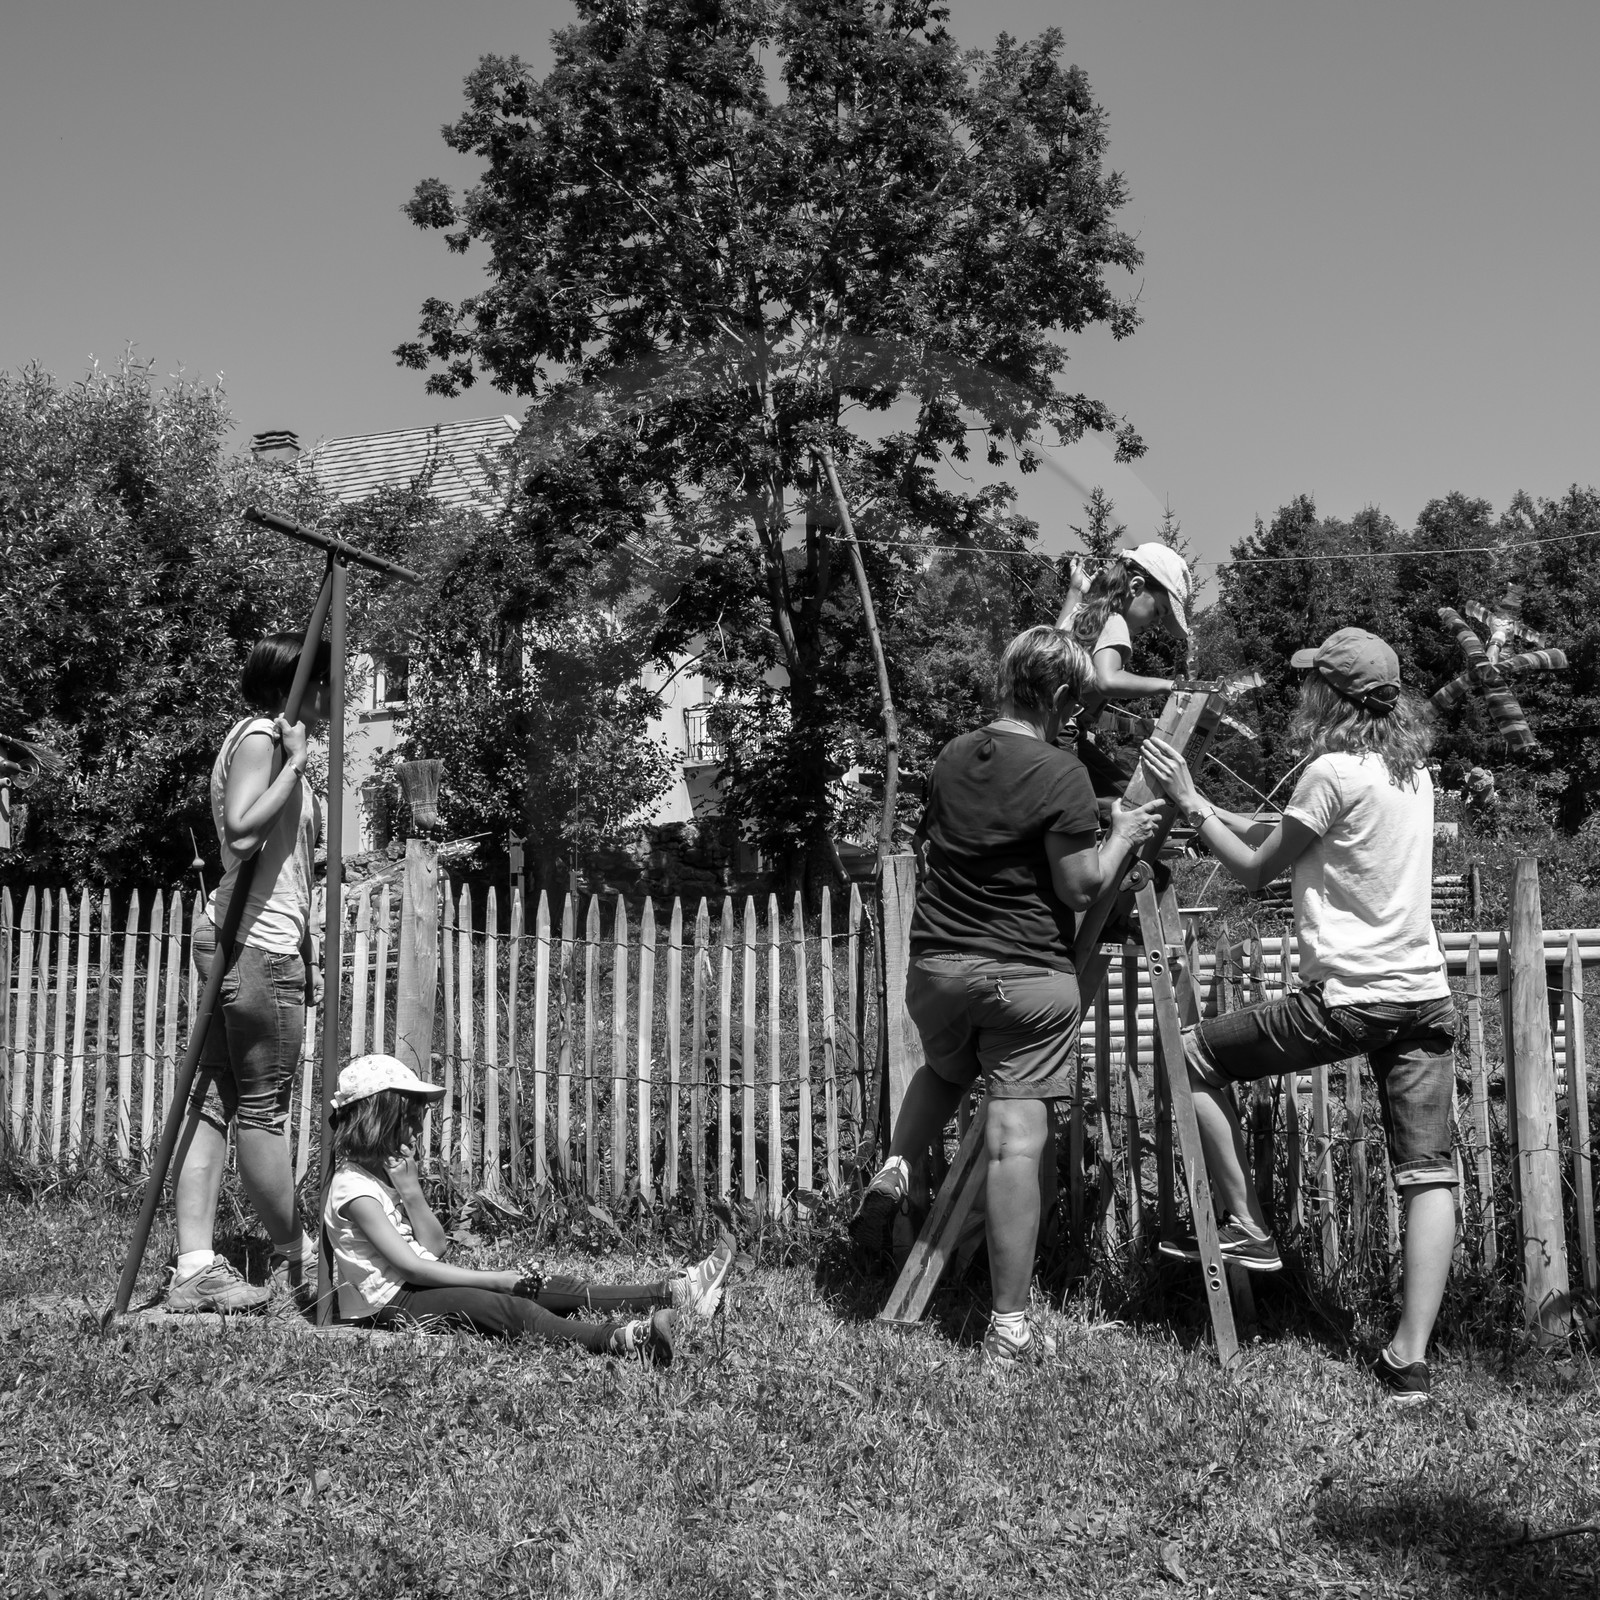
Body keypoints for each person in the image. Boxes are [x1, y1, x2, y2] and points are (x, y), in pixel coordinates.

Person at [1139, 628, 1457, 1406]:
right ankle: (1407, 1360)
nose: (1301, 692)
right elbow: (1291, 836)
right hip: (1424, 995)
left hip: (1349, 999)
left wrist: (1185, 803)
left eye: (1312, 682)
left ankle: (1247, 1224)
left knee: (1188, 1056)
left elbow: (1251, 871)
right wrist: (1209, 809)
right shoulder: (1410, 774)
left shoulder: (1330, 771)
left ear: (1333, 696)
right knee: (1428, 1173)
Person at [853, 625, 1163, 1363]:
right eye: (1077, 700)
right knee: (1014, 1144)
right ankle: (1009, 1329)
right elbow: (1081, 883)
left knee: (945, 1070)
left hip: (935, 966)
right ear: (1058, 695)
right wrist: (1122, 831)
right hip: (1025, 976)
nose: (1078, 713)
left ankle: (896, 1166)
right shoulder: (1061, 773)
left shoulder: (952, 756)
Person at [323, 1055, 733, 1362]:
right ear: (375, 1120)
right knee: (508, 1307)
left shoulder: (387, 1177)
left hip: (415, 1285)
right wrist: (494, 1280)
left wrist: (411, 1193)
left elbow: (434, 1247)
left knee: (555, 1287)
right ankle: (626, 1339)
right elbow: (411, 1268)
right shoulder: (354, 1190)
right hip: (392, 1303)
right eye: (408, 1119)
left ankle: (675, 1293)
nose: (415, 1130)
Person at [165, 632, 330, 1314]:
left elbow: (286, 861)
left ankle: (196, 1266)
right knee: (263, 1110)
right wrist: (297, 766)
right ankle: (304, 1261)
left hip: (251, 935)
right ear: (301, 685)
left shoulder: (260, 739)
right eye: (323, 686)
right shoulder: (266, 739)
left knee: (213, 1100)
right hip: (255, 945)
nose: (330, 702)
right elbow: (238, 832)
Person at [1056, 542, 1194, 797]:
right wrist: (1169, 686)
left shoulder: (1084, 614)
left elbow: (1055, 639)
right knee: (1120, 802)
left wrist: (1075, 590)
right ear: (1136, 587)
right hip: (1063, 736)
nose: (1155, 623)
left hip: (1046, 729)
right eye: (1158, 612)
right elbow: (1107, 681)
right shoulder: (1115, 620)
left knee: (1116, 793)